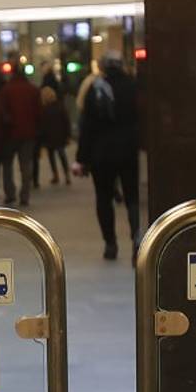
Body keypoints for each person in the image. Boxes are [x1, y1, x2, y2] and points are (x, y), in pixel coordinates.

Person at [74, 53, 140, 261]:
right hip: (128, 151)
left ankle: (110, 244)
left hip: (101, 154)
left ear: (102, 67)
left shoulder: (96, 89)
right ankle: (137, 239)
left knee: (103, 198)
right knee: (132, 196)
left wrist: (81, 158)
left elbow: (87, 127)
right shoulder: (133, 86)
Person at [0, 67, 41, 207]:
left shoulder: (6, 90)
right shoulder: (33, 90)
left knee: (7, 165)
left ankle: (10, 194)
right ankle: (25, 195)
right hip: (29, 133)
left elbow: (2, 111)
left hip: (9, 133)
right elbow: (39, 112)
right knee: (26, 165)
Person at [37, 83, 72, 185]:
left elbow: (42, 125)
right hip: (60, 136)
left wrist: (41, 138)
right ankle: (67, 175)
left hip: (49, 137)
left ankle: (55, 175)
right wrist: (68, 135)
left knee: (51, 156)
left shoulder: (43, 109)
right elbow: (66, 121)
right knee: (62, 155)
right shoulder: (60, 106)